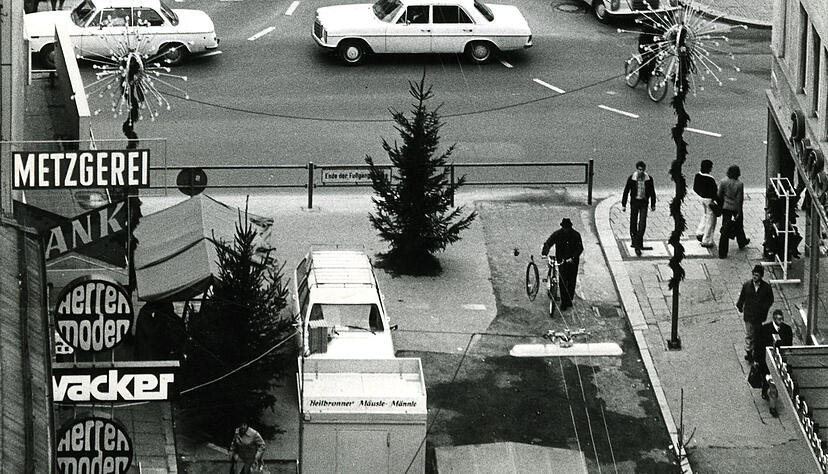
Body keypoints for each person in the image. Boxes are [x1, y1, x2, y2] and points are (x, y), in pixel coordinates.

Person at [755, 310, 793, 417]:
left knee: (774, 387)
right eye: (778, 319)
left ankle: (772, 407)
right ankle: (764, 389)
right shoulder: (765, 329)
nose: (780, 321)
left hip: (779, 361)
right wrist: (757, 360)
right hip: (766, 362)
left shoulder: (787, 329)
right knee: (768, 381)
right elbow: (759, 345)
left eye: (781, 319)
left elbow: (789, 346)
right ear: (774, 319)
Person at [541, 218, 584, 311]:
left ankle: (569, 300)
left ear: (570, 227)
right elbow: (549, 242)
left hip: (573, 263)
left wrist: (572, 258)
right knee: (563, 282)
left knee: (571, 282)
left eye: (567, 228)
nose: (565, 229)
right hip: (562, 262)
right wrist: (545, 252)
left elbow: (580, 248)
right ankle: (564, 302)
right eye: (564, 228)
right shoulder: (557, 234)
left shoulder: (576, 235)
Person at [736, 265, 774, 363]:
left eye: (756, 275)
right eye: (753, 275)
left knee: (757, 334)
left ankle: (755, 352)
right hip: (749, 315)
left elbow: (770, 300)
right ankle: (749, 352)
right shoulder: (747, 285)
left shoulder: (766, 288)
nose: (754, 277)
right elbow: (742, 297)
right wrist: (740, 306)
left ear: (761, 276)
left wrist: (764, 308)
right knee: (749, 334)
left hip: (759, 316)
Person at [622, 161, 656, 257]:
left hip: (644, 203)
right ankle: (636, 241)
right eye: (639, 169)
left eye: (642, 170)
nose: (640, 171)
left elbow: (652, 192)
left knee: (642, 223)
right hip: (635, 202)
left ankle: (637, 244)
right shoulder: (632, 178)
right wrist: (623, 204)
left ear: (644, 170)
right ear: (637, 169)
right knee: (633, 222)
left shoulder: (649, 179)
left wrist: (653, 204)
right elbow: (626, 190)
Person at [717, 165, 749, 258]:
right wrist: (739, 212)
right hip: (735, 207)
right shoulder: (739, 184)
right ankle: (742, 241)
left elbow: (719, 194)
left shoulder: (723, 181)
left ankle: (722, 252)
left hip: (726, 207)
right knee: (739, 224)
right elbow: (740, 199)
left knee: (725, 229)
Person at [693, 159, 718, 247]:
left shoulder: (698, 175)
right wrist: (716, 201)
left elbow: (695, 188)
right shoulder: (710, 179)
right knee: (711, 220)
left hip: (702, 198)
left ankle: (700, 232)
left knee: (705, 215)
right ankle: (707, 240)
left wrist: (701, 195)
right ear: (709, 168)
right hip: (709, 200)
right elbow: (715, 192)